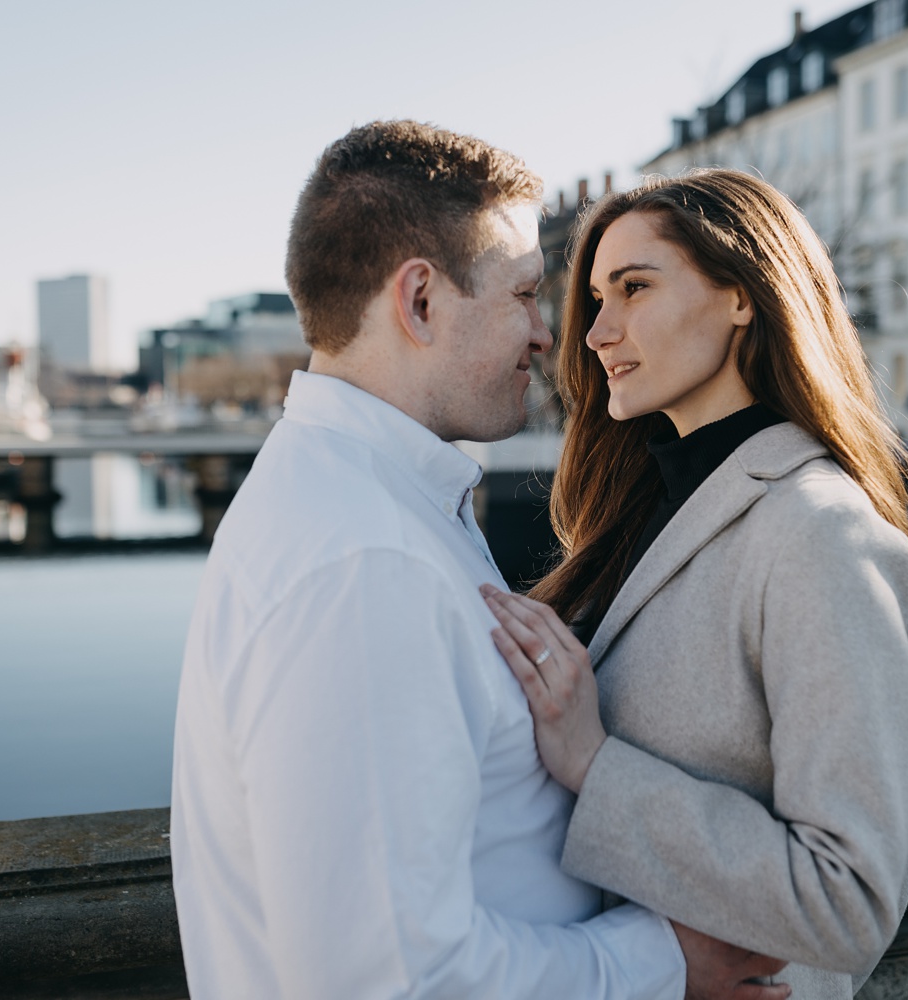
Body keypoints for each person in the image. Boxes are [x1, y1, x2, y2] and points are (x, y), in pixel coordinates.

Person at [169, 123, 794, 1000]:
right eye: (527, 295)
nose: (552, 336)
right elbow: (385, 979)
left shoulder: (369, 506)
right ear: (420, 300)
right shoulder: (365, 563)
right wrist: (662, 964)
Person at [481, 169, 908, 1000]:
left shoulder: (817, 533)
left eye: (634, 289)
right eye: (595, 300)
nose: (597, 332)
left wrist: (595, 763)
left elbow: (849, 901)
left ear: (742, 297)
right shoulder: (642, 512)